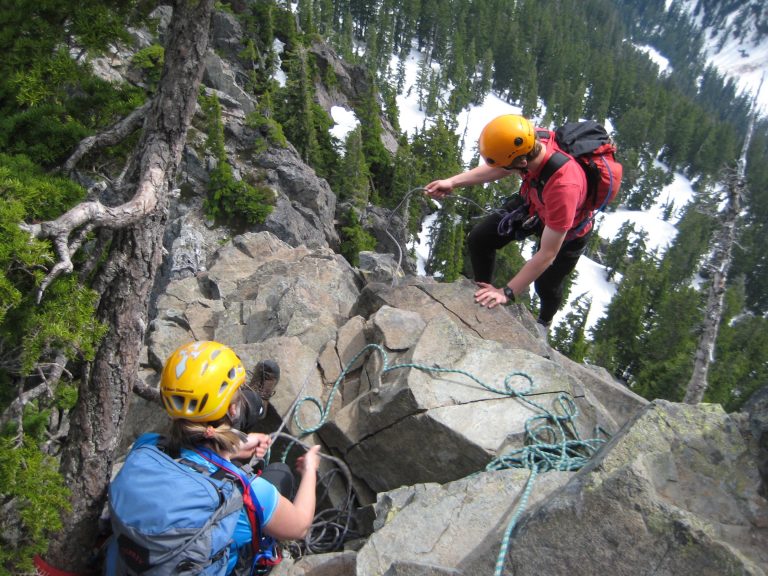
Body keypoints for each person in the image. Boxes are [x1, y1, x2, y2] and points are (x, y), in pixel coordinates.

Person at [110, 340, 321, 574]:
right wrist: (310, 469)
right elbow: (301, 526)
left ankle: (257, 404)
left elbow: (193, 460)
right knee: (281, 472)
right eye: (239, 392)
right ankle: (257, 405)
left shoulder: (146, 446)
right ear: (232, 410)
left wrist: (236, 448)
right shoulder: (249, 492)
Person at [424, 114, 591, 330]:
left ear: (522, 163)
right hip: (534, 202)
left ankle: (544, 322)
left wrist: (507, 293)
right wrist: (452, 182)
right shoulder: (531, 140)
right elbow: (501, 167)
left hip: (568, 227)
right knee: (480, 239)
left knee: (546, 285)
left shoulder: (564, 186)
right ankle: (483, 291)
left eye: (510, 167)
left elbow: (548, 254)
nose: (506, 170)